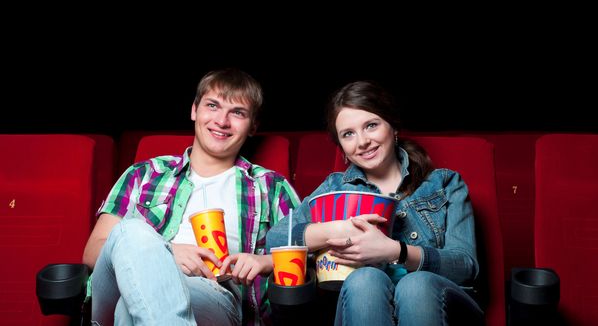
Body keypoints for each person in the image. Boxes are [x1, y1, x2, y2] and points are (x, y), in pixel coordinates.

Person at [83, 68, 300, 326]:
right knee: (130, 231)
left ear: (253, 126)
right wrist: (165, 253)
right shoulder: (144, 174)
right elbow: (94, 250)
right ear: (194, 110)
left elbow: (304, 261)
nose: (222, 121)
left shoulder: (271, 187)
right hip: (117, 284)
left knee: (128, 311)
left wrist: (262, 261)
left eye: (238, 113)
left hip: (211, 294)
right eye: (212, 106)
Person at [266, 81, 484, 325]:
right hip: (362, 301)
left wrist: (395, 251)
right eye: (348, 134)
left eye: (371, 126)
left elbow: (466, 267)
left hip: (442, 305)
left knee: (416, 284)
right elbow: (276, 238)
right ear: (343, 149)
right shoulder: (334, 188)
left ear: (393, 127)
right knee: (365, 278)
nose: (362, 142)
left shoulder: (444, 183)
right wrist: (339, 229)